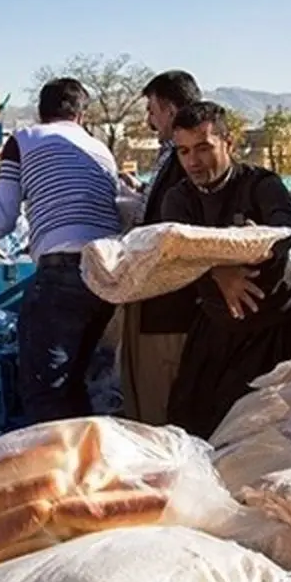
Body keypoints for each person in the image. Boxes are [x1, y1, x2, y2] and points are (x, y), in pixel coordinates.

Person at [0, 78, 121, 423]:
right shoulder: (101, 150)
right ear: (81, 116)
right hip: (109, 274)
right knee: (77, 385)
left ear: (41, 112)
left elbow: (2, 217)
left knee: (45, 392)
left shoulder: (23, 140)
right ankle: (87, 467)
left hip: (63, 272)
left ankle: (59, 473)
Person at [161, 101, 291, 439]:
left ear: (229, 144)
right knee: (190, 425)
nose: (193, 162)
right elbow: (173, 251)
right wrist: (218, 270)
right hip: (213, 327)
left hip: (267, 332)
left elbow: (286, 227)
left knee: (250, 433)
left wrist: (251, 243)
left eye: (203, 148)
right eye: (183, 152)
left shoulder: (261, 185)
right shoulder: (178, 199)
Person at [118, 70, 202, 425]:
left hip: (172, 306)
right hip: (154, 300)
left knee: (162, 412)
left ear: (168, 108)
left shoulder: (186, 163)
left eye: (152, 110)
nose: (150, 121)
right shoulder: (170, 158)